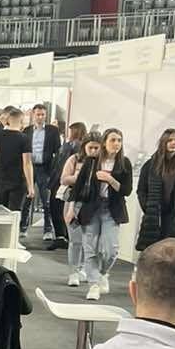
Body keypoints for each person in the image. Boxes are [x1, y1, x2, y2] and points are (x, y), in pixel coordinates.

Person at [59, 128, 132, 300]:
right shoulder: (92, 162)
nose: (116, 144)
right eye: (113, 140)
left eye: (119, 140)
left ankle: (103, 273)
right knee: (90, 248)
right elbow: (77, 188)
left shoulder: (124, 163)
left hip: (111, 210)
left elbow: (127, 190)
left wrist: (110, 180)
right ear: (104, 143)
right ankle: (93, 285)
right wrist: (71, 209)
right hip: (91, 209)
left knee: (110, 250)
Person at [136, 128, 175, 251]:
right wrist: (148, 207)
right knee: (152, 250)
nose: (173, 143)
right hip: (155, 214)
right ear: (163, 142)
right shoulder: (150, 165)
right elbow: (141, 190)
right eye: (170, 140)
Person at [22, 103, 62, 242]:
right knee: (27, 198)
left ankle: (48, 229)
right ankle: (23, 227)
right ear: (33, 115)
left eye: (42, 115)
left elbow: (58, 151)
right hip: (29, 166)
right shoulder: (26, 131)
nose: (40, 117)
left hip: (45, 168)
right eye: (38, 114)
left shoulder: (53, 131)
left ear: (46, 115)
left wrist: (54, 169)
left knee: (46, 200)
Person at [48, 121, 87, 250]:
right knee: (60, 209)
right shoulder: (71, 145)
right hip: (61, 181)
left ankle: (61, 236)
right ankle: (64, 236)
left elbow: (60, 164)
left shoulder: (74, 146)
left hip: (63, 183)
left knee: (58, 208)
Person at [0, 106, 33, 215]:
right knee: (15, 213)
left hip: (2, 179)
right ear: (21, 121)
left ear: (8, 120)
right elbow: (27, 163)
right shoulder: (24, 138)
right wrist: (30, 186)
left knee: (1, 211)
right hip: (18, 180)